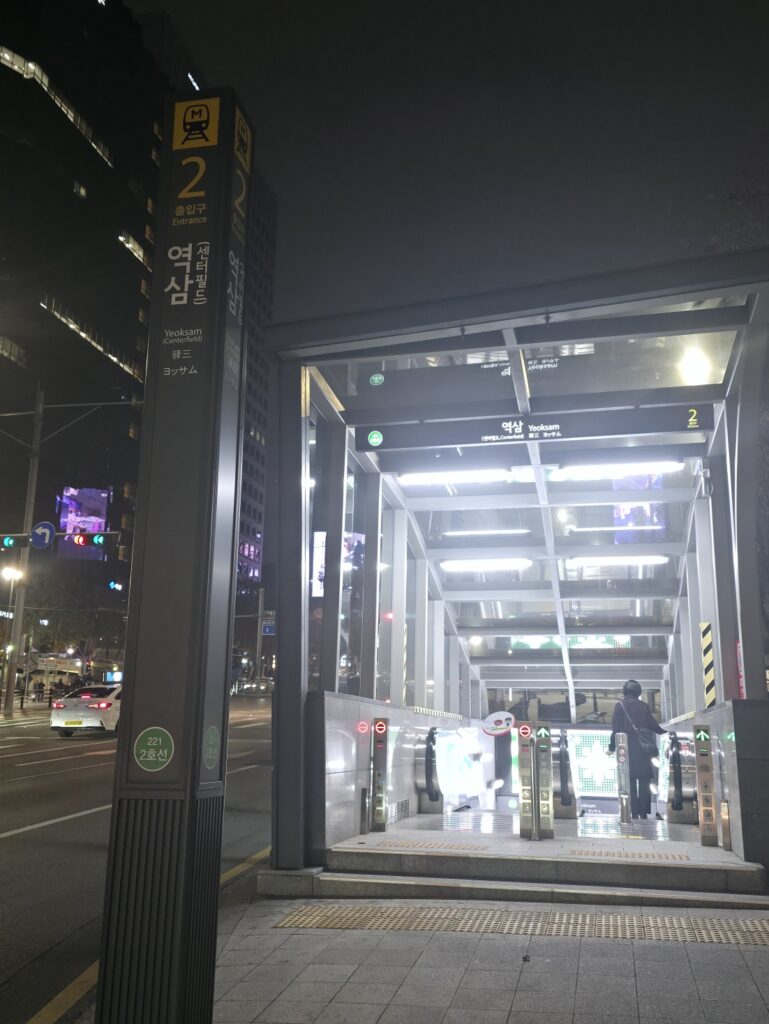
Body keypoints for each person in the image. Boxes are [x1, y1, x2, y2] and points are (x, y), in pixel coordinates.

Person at [608, 679, 666, 819]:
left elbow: (615, 729)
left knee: (631, 781)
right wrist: (665, 733)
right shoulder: (644, 706)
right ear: (638, 691)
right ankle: (643, 812)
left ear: (625, 691)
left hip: (626, 749)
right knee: (645, 781)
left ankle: (633, 812)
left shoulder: (619, 706)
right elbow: (652, 725)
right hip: (643, 748)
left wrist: (611, 747)